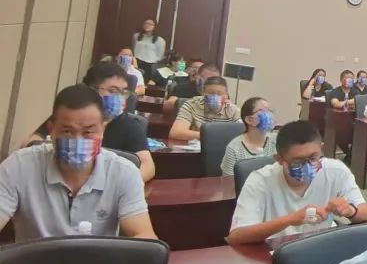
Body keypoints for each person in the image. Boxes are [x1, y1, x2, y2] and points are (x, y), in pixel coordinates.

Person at [0, 85, 157, 240]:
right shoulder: (19, 166)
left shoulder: (124, 173)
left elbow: (144, 237)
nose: (77, 140)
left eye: (88, 132)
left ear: (102, 130)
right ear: (51, 130)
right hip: (34, 257)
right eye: (67, 132)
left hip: (98, 257)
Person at [227, 120, 367, 245]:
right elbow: (236, 237)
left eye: (313, 157)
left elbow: (365, 214)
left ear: (321, 148)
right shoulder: (260, 180)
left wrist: (350, 211)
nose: (308, 166)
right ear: (280, 159)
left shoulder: (336, 171)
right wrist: (290, 219)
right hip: (274, 251)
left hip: (320, 247)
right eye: (297, 161)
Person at [24, 62, 157, 182]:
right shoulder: (69, 116)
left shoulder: (130, 126)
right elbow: (31, 143)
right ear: (91, 90)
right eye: (113, 91)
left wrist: (120, 186)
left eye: (123, 92)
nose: (119, 98)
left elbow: (148, 166)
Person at [169, 75, 241, 142]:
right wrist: (214, 136)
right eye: (211, 93)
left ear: (226, 95)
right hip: (195, 148)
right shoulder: (191, 105)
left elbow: (242, 136)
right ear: (203, 93)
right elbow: (176, 133)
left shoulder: (233, 110)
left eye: (219, 94)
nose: (215, 97)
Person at [221, 97, 277, 176]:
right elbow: (228, 181)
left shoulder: (278, 141)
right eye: (263, 111)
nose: (269, 115)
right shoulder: (234, 148)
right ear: (249, 120)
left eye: (270, 111)